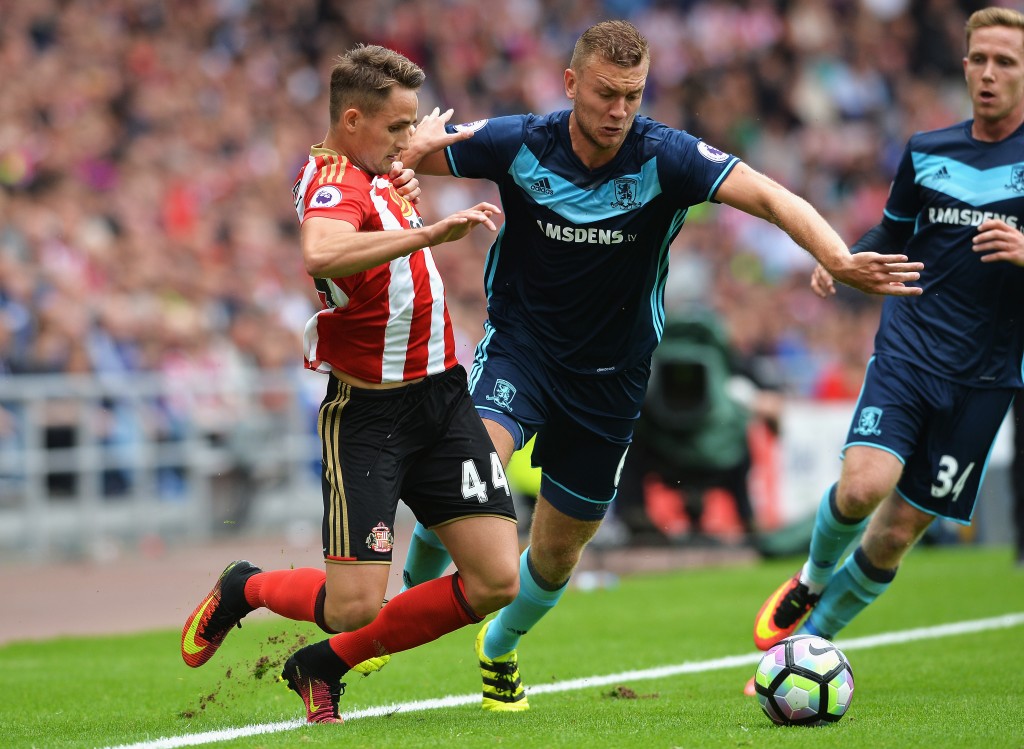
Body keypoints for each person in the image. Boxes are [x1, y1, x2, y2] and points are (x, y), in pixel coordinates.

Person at [396, 20, 924, 712]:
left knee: (555, 556)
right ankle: (402, 609)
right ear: (571, 83)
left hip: (611, 382)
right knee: (471, 473)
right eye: (607, 94)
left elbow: (770, 196)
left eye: (633, 96)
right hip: (522, 352)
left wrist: (834, 255)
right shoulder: (521, 140)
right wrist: (411, 143)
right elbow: (403, 157)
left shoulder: (666, 157)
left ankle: (498, 647)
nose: (619, 111)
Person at [180, 44, 521, 724]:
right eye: (397, 128)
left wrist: (411, 165)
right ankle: (244, 587)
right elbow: (322, 250)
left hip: (444, 398)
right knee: (354, 603)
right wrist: (429, 233)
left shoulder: (377, 168)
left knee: (495, 581)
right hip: (371, 414)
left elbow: (389, 184)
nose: (406, 142)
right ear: (355, 119)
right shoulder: (332, 178)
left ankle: (322, 664)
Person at [749, 5, 1024, 691]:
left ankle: (807, 644)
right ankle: (810, 580)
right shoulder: (929, 150)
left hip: (987, 377)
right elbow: (892, 232)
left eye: (1007, 62)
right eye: (980, 59)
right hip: (910, 346)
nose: (989, 74)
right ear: (963, 65)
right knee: (862, 486)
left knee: (897, 532)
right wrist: (842, 256)